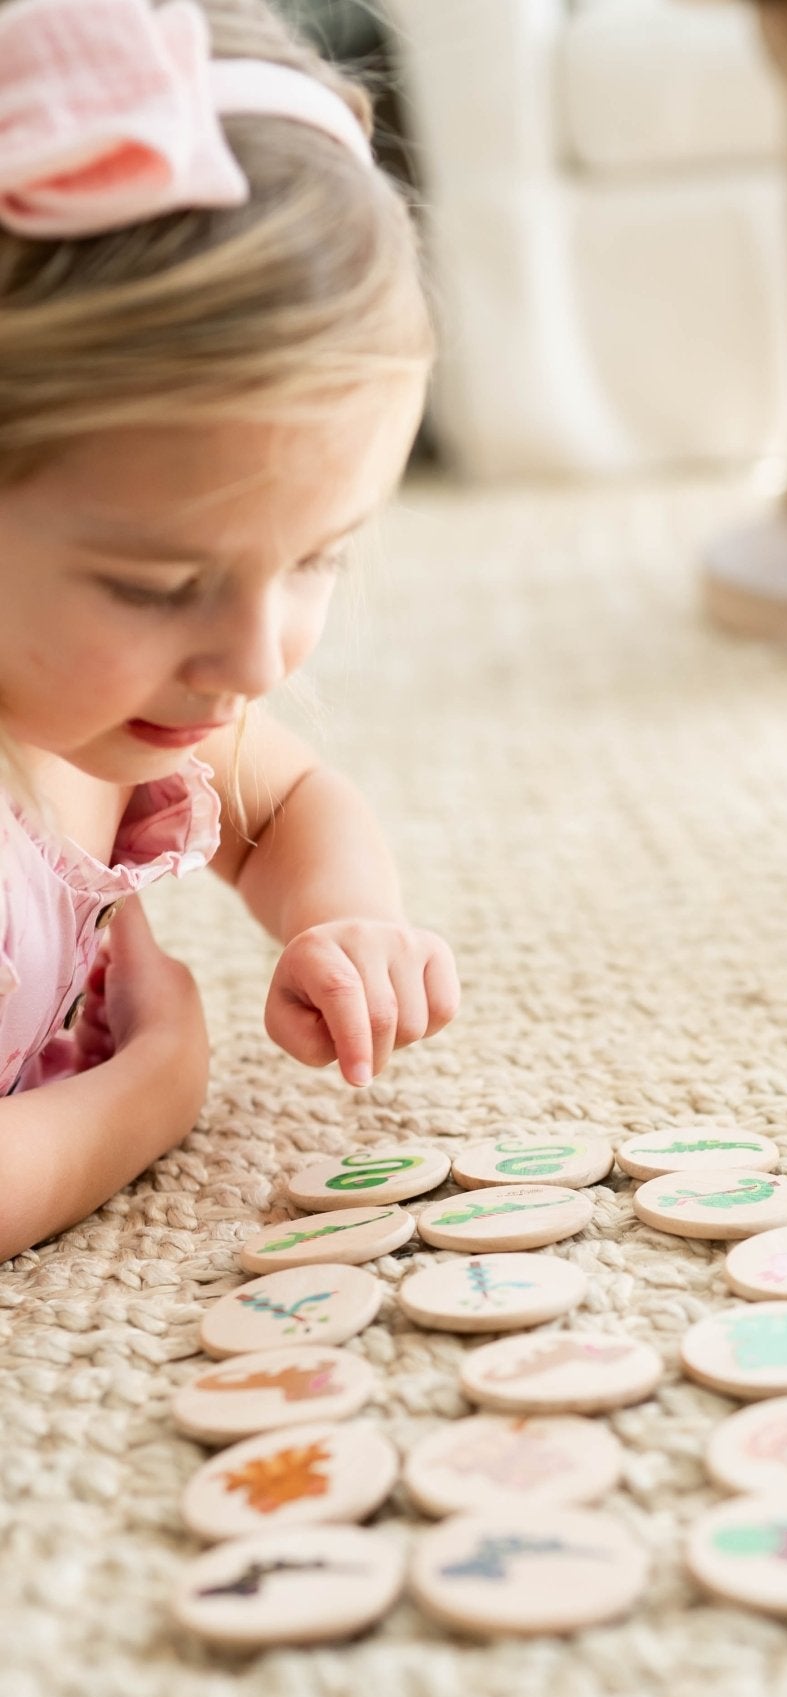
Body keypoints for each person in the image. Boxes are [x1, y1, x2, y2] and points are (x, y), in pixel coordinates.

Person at [0, 0, 459, 1261]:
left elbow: (290, 797)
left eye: (317, 554)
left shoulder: (123, 695)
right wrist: (152, 1084)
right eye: (156, 583)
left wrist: (343, 917)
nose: (255, 664)